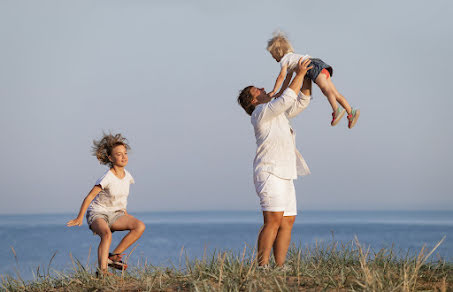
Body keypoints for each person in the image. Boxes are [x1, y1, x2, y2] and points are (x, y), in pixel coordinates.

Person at [237, 57, 312, 268]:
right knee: (273, 221)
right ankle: (262, 266)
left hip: (286, 173)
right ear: (253, 101)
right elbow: (287, 98)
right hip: (269, 173)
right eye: (257, 90)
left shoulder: (276, 113)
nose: (262, 88)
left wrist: (307, 76)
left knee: (287, 221)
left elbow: (301, 100)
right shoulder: (260, 113)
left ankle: (279, 267)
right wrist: (298, 73)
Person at [66, 133, 145, 276]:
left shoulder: (128, 176)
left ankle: (114, 256)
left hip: (116, 214)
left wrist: (124, 213)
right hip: (98, 213)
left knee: (139, 226)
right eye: (119, 154)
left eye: (125, 153)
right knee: (106, 234)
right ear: (110, 158)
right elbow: (90, 196)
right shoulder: (107, 177)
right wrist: (79, 217)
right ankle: (102, 271)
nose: (123, 157)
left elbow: (121, 197)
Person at [267, 32, 360, 128]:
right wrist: (281, 92)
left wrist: (274, 90)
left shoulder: (284, 60)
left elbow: (281, 76)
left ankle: (336, 110)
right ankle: (351, 112)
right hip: (319, 65)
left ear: (278, 52)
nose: (273, 57)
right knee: (335, 93)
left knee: (326, 91)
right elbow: (287, 79)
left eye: (272, 54)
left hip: (312, 67)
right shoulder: (292, 57)